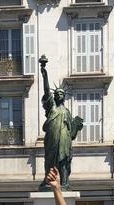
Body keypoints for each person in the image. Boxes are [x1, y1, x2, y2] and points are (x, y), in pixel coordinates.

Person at [40, 57, 84, 189]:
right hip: (52, 139)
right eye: (57, 93)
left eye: (61, 93)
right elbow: (47, 90)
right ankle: (49, 181)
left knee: (64, 160)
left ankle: (64, 182)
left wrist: (77, 127)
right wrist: (44, 74)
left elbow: (72, 134)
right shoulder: (51, 107)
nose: (59, 95)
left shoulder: (67, 112)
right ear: (54, 97)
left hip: (64, 139)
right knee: (51, 160)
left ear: (64, 96)